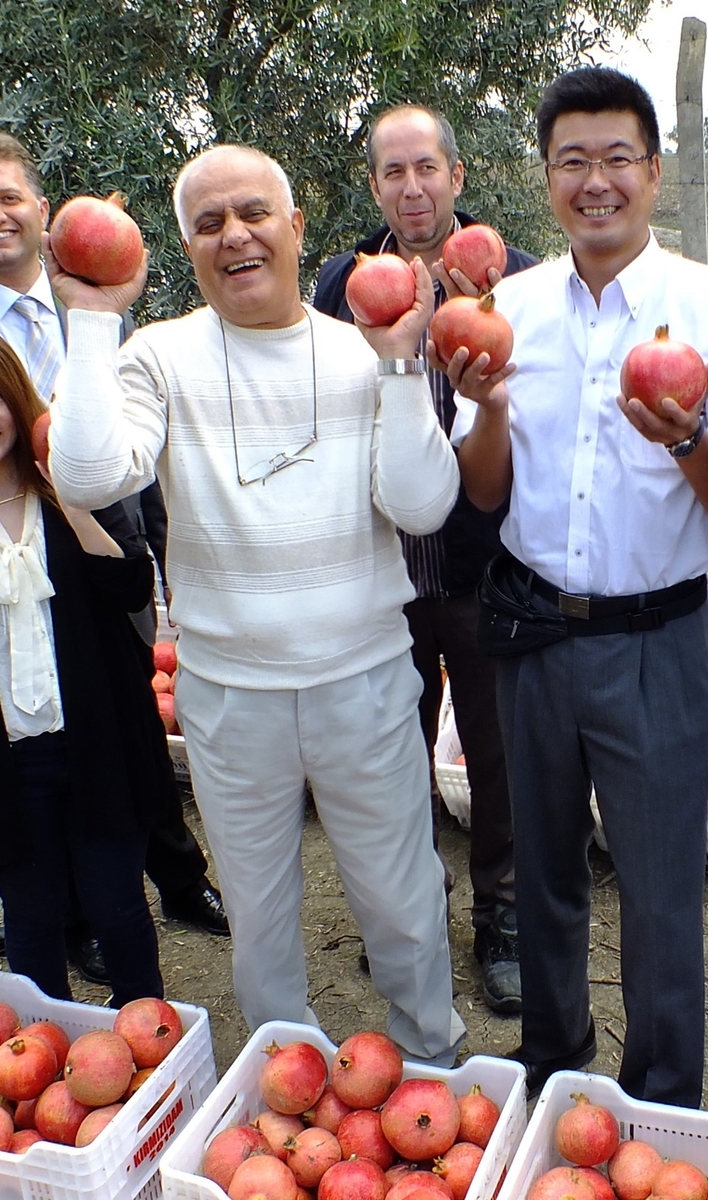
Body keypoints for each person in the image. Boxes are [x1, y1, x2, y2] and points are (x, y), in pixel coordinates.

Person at [47, 144, 467, 1065]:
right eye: (208, 223)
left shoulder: (368, 346)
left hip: (363, 681)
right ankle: (287, 1081)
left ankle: (430, 1059)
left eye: (253, 214)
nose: (234, 236)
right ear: (186, 248)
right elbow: (86, 471)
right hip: (230, 696)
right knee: (262, 917)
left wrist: (402, 370)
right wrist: (89, 320)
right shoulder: (157, 355)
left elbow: (423, 505)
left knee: (401, 899)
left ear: (296, 227)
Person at [442, 66, 708, 1106]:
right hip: (537, 632)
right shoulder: (508, 307)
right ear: (546, 177)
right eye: (571, 161)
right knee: (542, 873)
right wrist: (488, 411)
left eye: (615, 159)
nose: (595, 182)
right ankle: (555, 1065)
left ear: (651, 169)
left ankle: (663, 1093)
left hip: (657, 639)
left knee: (659, 891)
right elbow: (487, 492)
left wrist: (683, 435)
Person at [313, 104, 535, 1015]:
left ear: (456, 176)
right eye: (393, 172)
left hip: (483, 566)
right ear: (375, 186)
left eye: (426, 169)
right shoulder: (341, 287)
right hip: (383, 573)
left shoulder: (516, 282)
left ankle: (505, 922)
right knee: (388, 755)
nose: (412, 187)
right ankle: (411, 913)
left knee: (497, 756)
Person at [0, 133, 229, 976]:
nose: (1, 215)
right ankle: (68, 918)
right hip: (16, 533)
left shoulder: (95, 303)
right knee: (45, 721)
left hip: (107, 529)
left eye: (11, 197)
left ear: (42, 211)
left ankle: (175, 874)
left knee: (126, 709)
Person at [0, 339, 165, 1006]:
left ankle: (150, 1046)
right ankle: (47, 1058)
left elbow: (130, 585)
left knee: (117, 905)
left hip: (95, 741)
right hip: (11, 761)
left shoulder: (68, 485)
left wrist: (68, 496)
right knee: (31, 920)